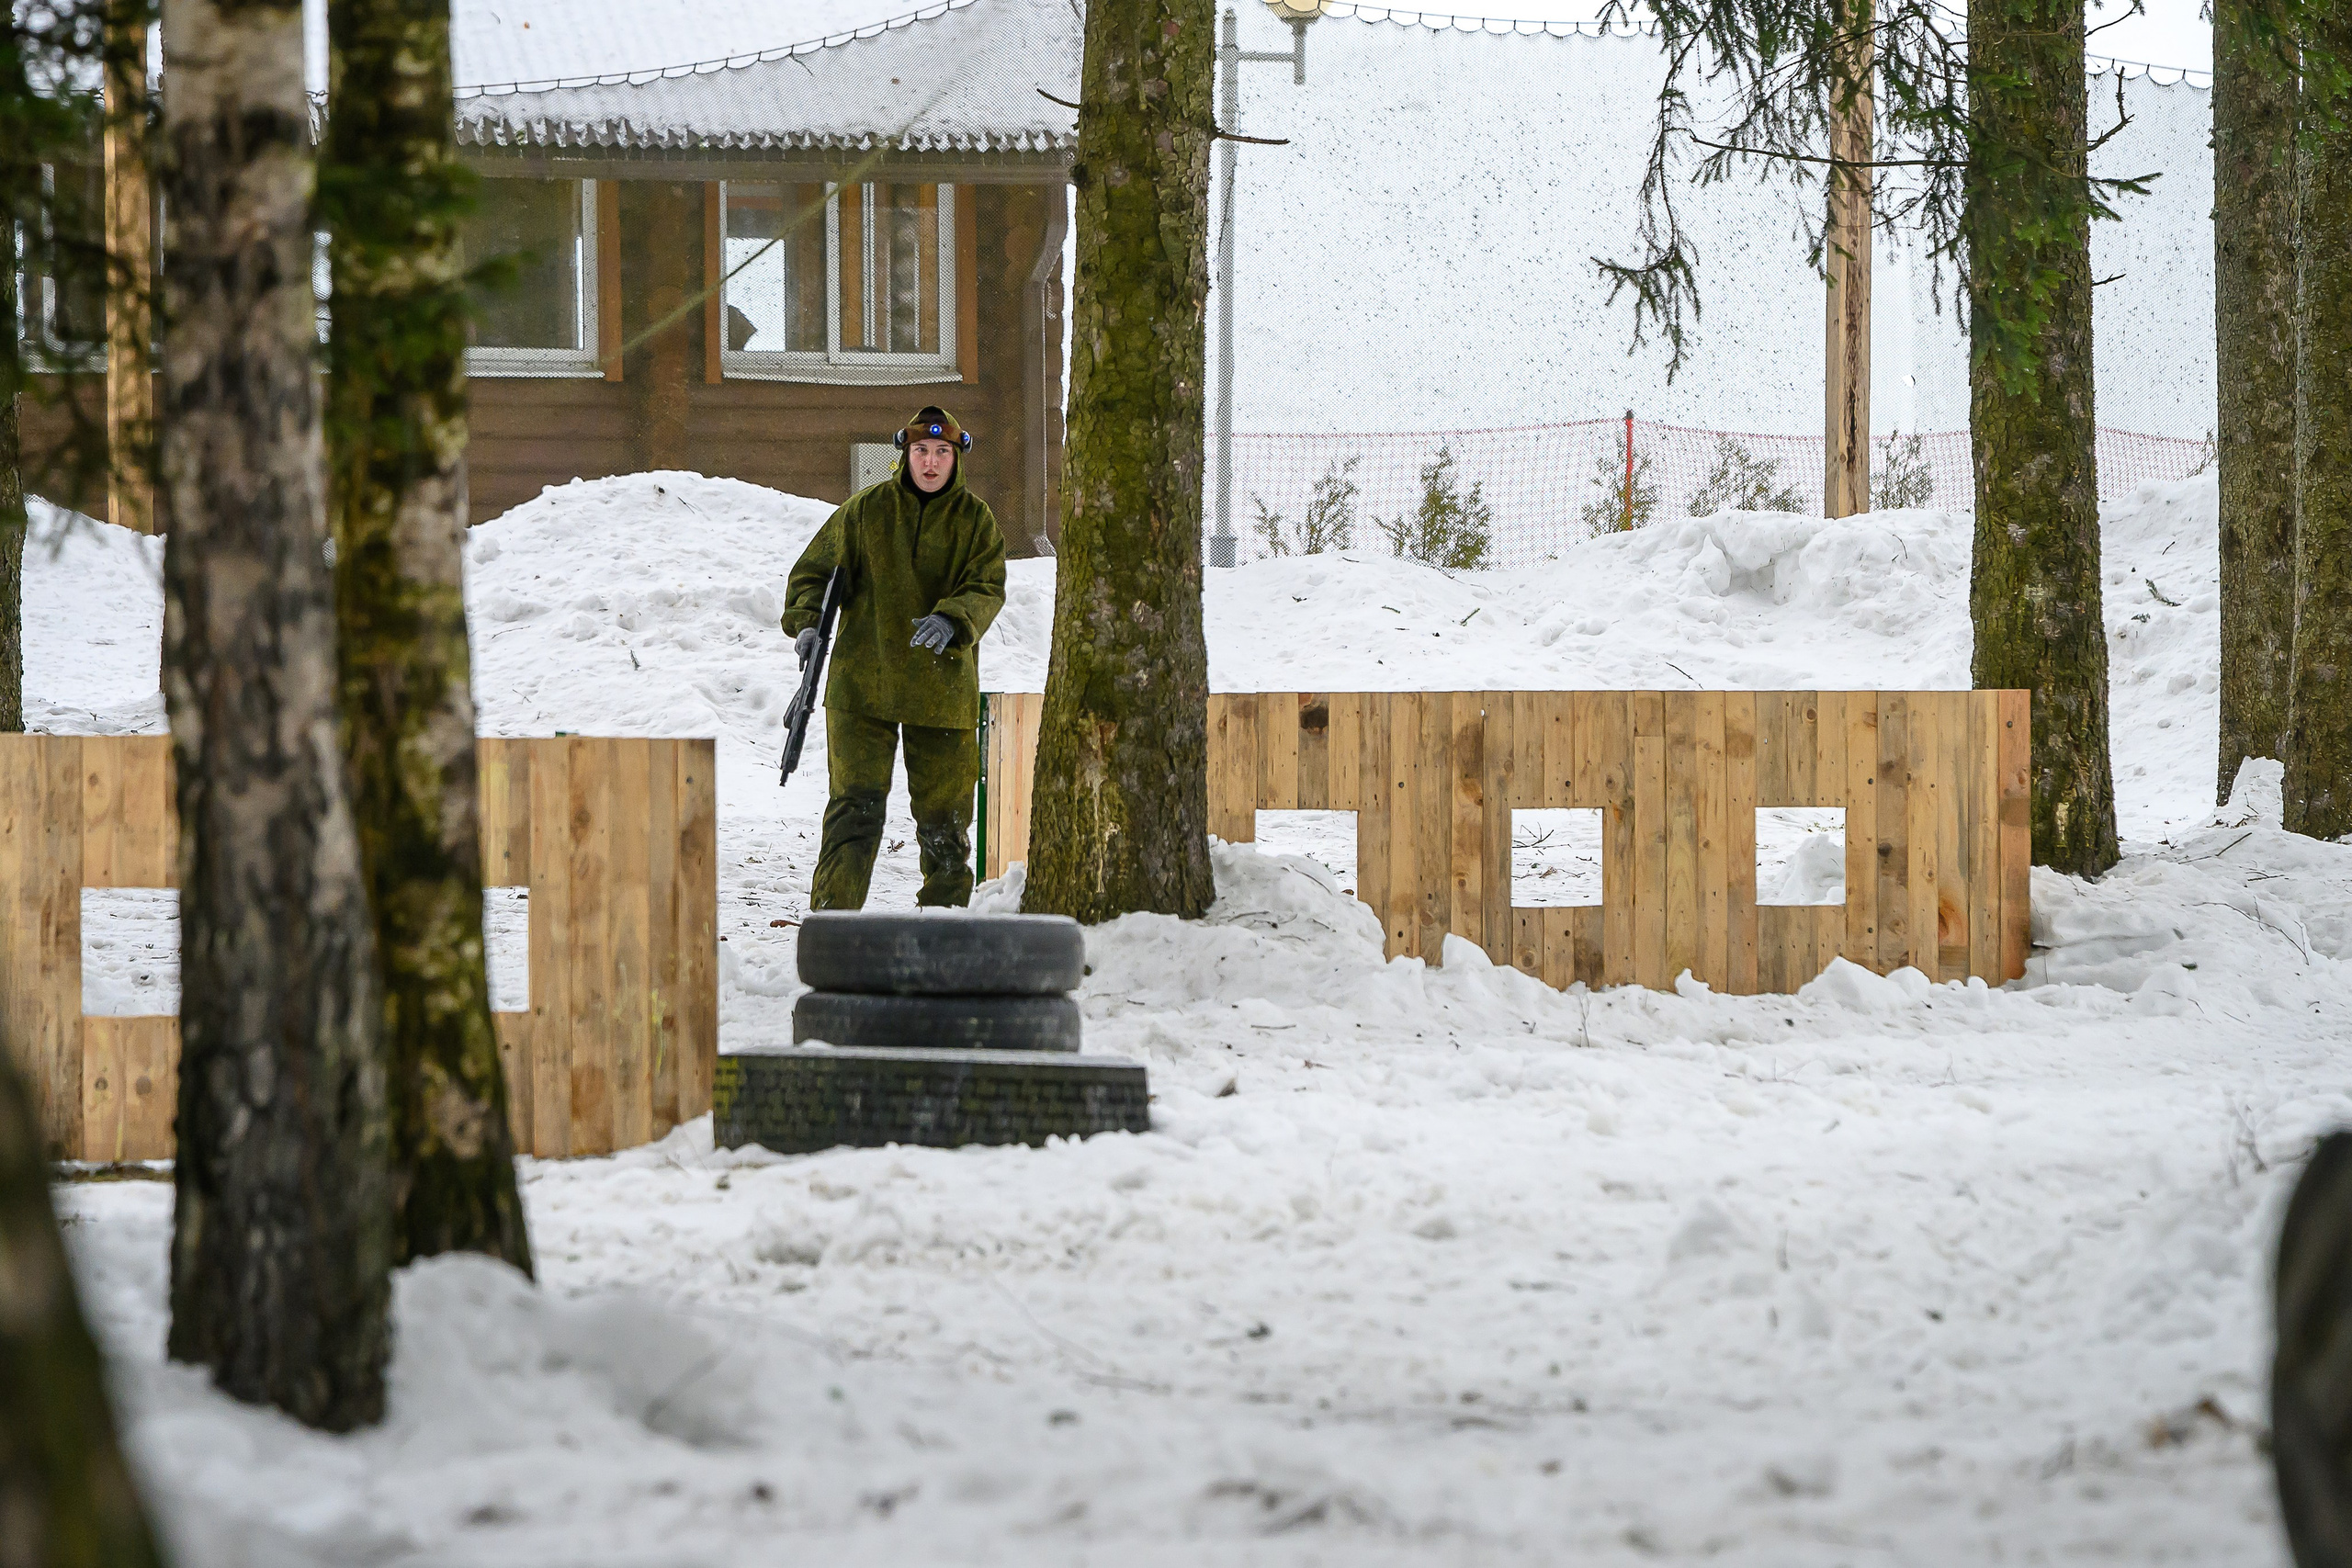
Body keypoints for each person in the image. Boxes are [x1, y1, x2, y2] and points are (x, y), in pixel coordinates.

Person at [781, 407, 1007, 910]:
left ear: (956, 458)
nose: (930, 463)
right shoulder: (866, 512)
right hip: (864, 684)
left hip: (942, 689)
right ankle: (834, 924)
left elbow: (987, 586)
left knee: (945, 822)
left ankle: (943, 925)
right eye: (921, 451)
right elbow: (813, 573)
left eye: (941, 452)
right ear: (905, 454)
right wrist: (809, 623)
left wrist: (953, 618)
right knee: (853, 811)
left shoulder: (976, 522)